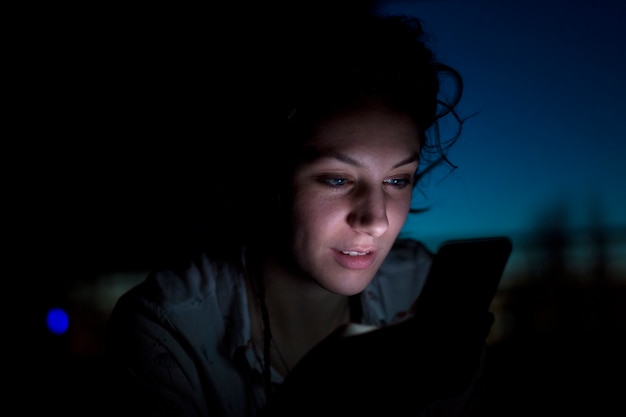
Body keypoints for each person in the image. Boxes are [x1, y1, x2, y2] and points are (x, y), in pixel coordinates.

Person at [103, 3, 494, 416]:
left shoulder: (418, 283)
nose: (376, 220)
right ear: (267, 175)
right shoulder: (166, 331)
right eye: (337, 179)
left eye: (397, 180)